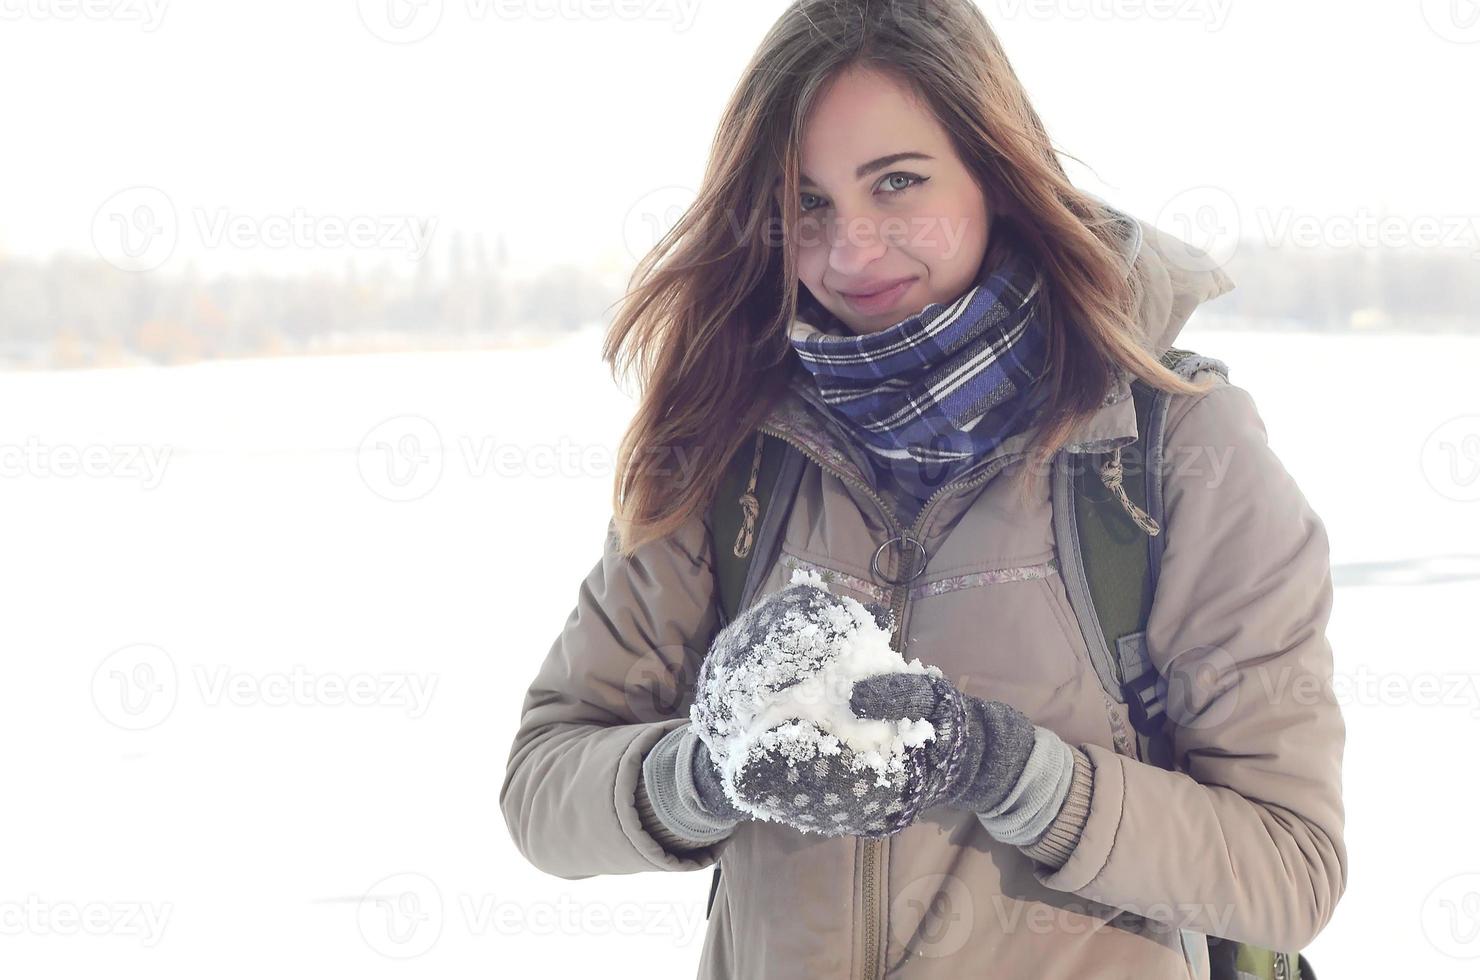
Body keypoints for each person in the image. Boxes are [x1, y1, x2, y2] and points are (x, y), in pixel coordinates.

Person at [500, 2, 1346, 977]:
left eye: (896, 183)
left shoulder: (1171, 445)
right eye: (805, 201)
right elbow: (542, 789)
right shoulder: (727, 443)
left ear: (995, 168)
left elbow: (1291, 867)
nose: (850, 248)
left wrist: (1007, 767)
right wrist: (706, 768)